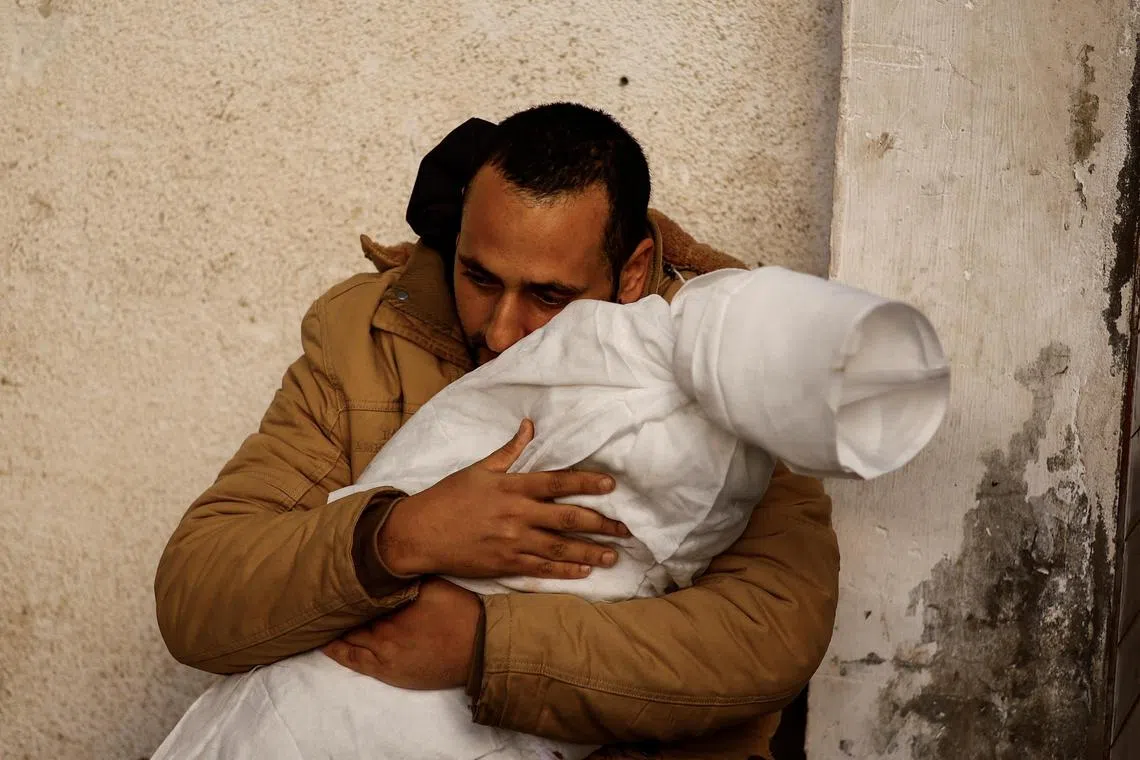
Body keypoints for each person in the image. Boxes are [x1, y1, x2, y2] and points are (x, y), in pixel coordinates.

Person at [154, 103, 842, 759]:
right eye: (478, 278)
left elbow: (769, 633)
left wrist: (487, 647)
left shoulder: (720, 367)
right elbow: (200, 594)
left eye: (549, 296)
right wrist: (401, 535)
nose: (501, 329)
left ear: (631, 273)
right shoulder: (372, 335)